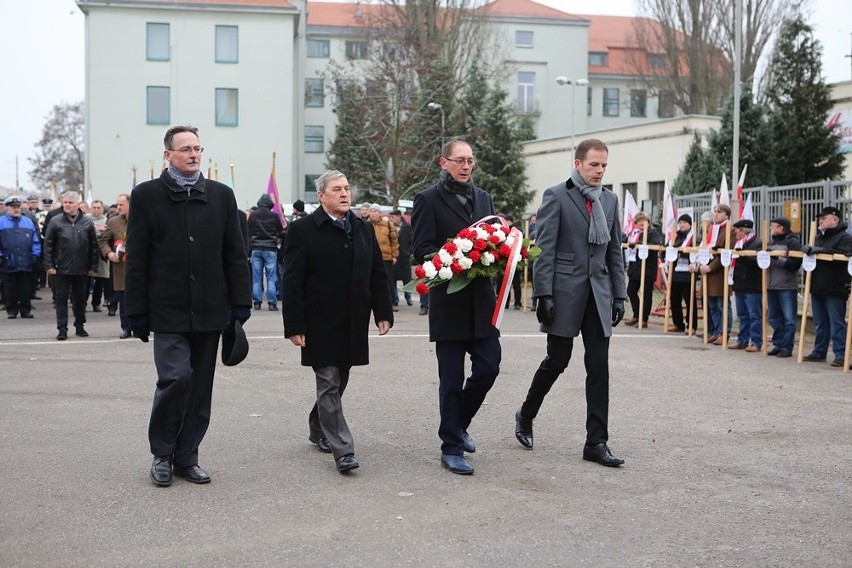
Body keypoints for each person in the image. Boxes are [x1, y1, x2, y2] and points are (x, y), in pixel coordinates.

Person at [125, 125, 252, 487]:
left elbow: (235, 254)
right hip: (167, 309)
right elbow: (137, 258)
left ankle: (187, 456)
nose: (194, 154)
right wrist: (136, 310)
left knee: (200, 389)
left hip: (211, 309)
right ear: (168, 155)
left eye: (197, 148)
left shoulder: (221, 196)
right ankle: (162, 454)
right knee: (175, 377)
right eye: (185, 149)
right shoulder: (147, 195)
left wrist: (240, 304)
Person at [514, 138, 627, 468]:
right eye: (594, 164)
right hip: (564, 293)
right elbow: (544, 249)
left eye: (604, 165)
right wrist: (542, 294)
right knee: (557, 360)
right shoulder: (556, 196)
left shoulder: (610, 200)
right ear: (578, 164)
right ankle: (526, 413)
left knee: (599, 367)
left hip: (599, 295)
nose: (600, 170)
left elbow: (615, 252)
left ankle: (596, 441)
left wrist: (619, 293)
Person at [282, 170, 393, 474]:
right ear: (321, 197)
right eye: (336, 190)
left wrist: (383, 312)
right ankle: (343, 449)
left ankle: (318, 425)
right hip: (318, 320)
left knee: (340, 377)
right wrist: (294, 325)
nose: (344, 194)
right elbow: (291, 281)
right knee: (329, 380)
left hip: (353, 319)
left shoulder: (362, 228)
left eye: (346, 188)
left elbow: (377, 275)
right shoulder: (302, 230)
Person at [411, 139, 501, 475]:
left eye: (470, 161)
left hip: (481, 302)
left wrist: (499, 255)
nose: (466, 167)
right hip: (449, 302)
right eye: (460, 160)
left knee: (489, 367)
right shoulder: (428, 200)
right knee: (450, 379)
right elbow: (421, 248)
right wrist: (456, 258)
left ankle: (459, 423)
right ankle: (450, 447)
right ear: (443, 162)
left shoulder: (484, 199)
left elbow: (494, 240)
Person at [43, 191, 99, 340]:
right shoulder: (55, 221)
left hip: (81, 268)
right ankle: (62, 328)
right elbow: (48, 245)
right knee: (61, 299)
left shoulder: (87, 222)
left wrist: (93, 266)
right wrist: (49, 265)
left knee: (80, 299)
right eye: (65, 202)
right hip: (60, 268)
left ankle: (80, 326)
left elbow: (94, 245)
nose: (67, 205)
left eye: (70, 202)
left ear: (77, 204)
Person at [801, 206, 852, 367]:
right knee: (820, 322)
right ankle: (819, 351)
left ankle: (840, 354)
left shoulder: (844, 237)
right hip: (818, 285)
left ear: (835, 220)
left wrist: (820, 250)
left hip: (834, 287)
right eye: (821, 218)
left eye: (824, 218)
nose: (821, 221)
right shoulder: (819, 237)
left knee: (836, 322)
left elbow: (843, 255)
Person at [0, 195, 41, 319]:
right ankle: (11, 309)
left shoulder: (27, 222)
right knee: (9, 287)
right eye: (13, 207)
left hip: (26, 260)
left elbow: (35, 240)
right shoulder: (1, 222)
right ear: (7, 208)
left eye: (18, 207)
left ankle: (25, 309)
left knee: (25, 287)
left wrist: (35, 255)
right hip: (8, 260)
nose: (16, 209)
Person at [766, 217, 802, 358]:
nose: (770, 229)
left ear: (781, 228)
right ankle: (778, 344)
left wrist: (777, 259)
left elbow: (795, 264)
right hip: (771, 285)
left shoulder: (793, 242)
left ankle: (787, 347)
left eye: (772, 226)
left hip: (786, 286)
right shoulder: (772, 242)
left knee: (788, 318)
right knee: (774, 317)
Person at [700, 204, 733, 344]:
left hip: (720, 272)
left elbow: (725, 254)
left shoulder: (730, 230)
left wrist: (710, 267)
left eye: (719, 212)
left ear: (726, 214)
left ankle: (724, 332)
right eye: (715, 211)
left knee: (722, 304)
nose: (716, 214)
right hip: (709, 269)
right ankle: (715, 331)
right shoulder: (713, 229)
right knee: (712, 305)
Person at [622, 210, 661, 328]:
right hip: (635, 267)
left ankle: (644, 318)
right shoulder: (633, 232)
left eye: (643, 220)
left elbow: (655, 245)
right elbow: (627, 242)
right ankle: (636, 314)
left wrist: (639, 244)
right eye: (639, 221)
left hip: (647, 267)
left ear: (648, 222)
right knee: (631, 291)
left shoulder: (652, 232)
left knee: (646, 294)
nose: (641, 223)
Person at [728, 219, 763, 352]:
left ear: (743, 230)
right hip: (739, 283)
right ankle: (742, 340)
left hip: (752, 284)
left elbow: (758, 261)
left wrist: (742, 255)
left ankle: (756, 341)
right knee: (743, 315)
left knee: (754, 315)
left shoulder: (757, 242)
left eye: (737, 229)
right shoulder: (738, 243)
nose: (735, 232)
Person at [99, 194, 130, 337]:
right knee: (123, 299)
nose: (118, 207)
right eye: (117, 204)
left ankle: (139, 326)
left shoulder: (142, 218)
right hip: (121, 267)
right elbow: (104, 242)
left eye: (121, 204)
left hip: (140, 266)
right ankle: (126, 327)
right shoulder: (113, 222)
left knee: (139, 298)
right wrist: (109, 254)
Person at [248, 194, 284, 311]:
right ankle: (272, 303)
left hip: (256, 248)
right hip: (271, 248)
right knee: (271, 277)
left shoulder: (253, 215)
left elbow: (249, 230)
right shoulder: (274, 216)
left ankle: (257, 303)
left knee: (256, 277)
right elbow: (279, 229)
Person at [368, 203, 400, 311]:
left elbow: (394, 241)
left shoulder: (387, 224)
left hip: (386, 257)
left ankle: (394, 301)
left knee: (389, 281)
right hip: (371, 257)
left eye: (375, 211)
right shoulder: (366, 224)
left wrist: (395, 255)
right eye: (371, 211)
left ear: (380, 213)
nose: (373, 214)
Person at [669, 213, 697, 333]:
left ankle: (692, 325)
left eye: (684, 222)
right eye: (680, 222)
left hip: (688, 272)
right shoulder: (676, 236)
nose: (682, 225)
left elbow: (693, 251)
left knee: (690, 300)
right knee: (674, 299)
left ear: (690, 224)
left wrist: (679, 249)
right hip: (676, 272)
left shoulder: (694, 237)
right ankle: (678, 323)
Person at [87, 199, 112, 313]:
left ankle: (96, 303)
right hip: (87, 253)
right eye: (94, 207)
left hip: (101, 254)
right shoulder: (85, 219)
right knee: (86, 281)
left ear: (102, 209)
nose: (96, 210)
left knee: (100, 280)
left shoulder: (107, 221)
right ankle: (82, 303)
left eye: (98, 208)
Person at [390, 209, 413, 307]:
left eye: (394, 217)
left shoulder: (407, 227)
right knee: (392, 279)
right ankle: (395, 299)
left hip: (404, 257)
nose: (392, 219)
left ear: (399, 216)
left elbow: (413, 240)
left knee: (406, 279)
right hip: (394, 257)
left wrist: (409, 251)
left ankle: (408, 297)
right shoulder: (390, 227)